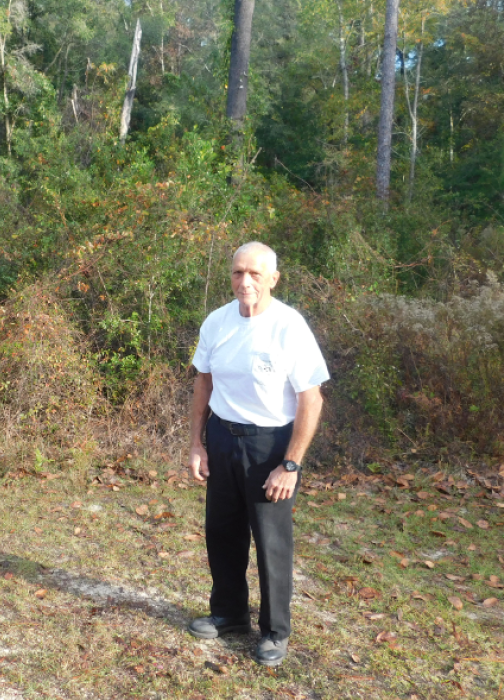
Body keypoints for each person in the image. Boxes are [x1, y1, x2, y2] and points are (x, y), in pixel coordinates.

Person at [187, 241, 329, 667]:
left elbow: (312, 399)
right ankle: (229, 614)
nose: (244, 281)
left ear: (273, 279)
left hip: (270, 445)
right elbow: (203, 382)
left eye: (254, 273)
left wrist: (290, 464)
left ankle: (274, 632)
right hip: (223, 437)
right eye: (237, 273)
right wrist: (197, 442)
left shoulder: (289, 326)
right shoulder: (217, 322)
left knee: (271, 543)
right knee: (222, 532)